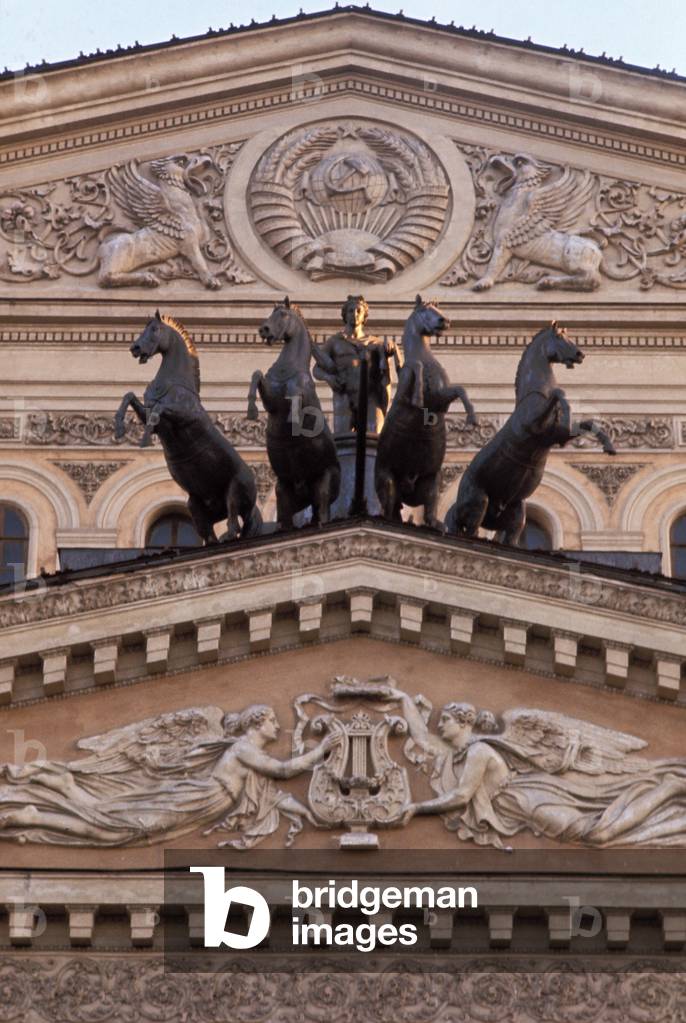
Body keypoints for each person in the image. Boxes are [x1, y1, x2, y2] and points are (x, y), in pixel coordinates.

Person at [0, 704, 333, 848]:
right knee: (118, 829)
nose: (278, 725)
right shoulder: (244, 748)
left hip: (203, 804)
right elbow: (285, 770)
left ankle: (49, 804)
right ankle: (52, 798)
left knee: (116, 831)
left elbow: (274, 791)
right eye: (273, 720)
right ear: (256, 723)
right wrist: (322, 749)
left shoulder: (247, 753)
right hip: (196, 798)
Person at [312, 295, 396, 434]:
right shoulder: (335, 342)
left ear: (364, 316)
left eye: (358, 311)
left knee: (373, 438)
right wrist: (329, 378)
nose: (354, 314)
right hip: (344, 395)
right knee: (342, 439)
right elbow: (317, 369)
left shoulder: (376, 343)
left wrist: (388, 351)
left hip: (370, 397)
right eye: (350, 311)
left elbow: (385, 370)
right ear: (345, 315)